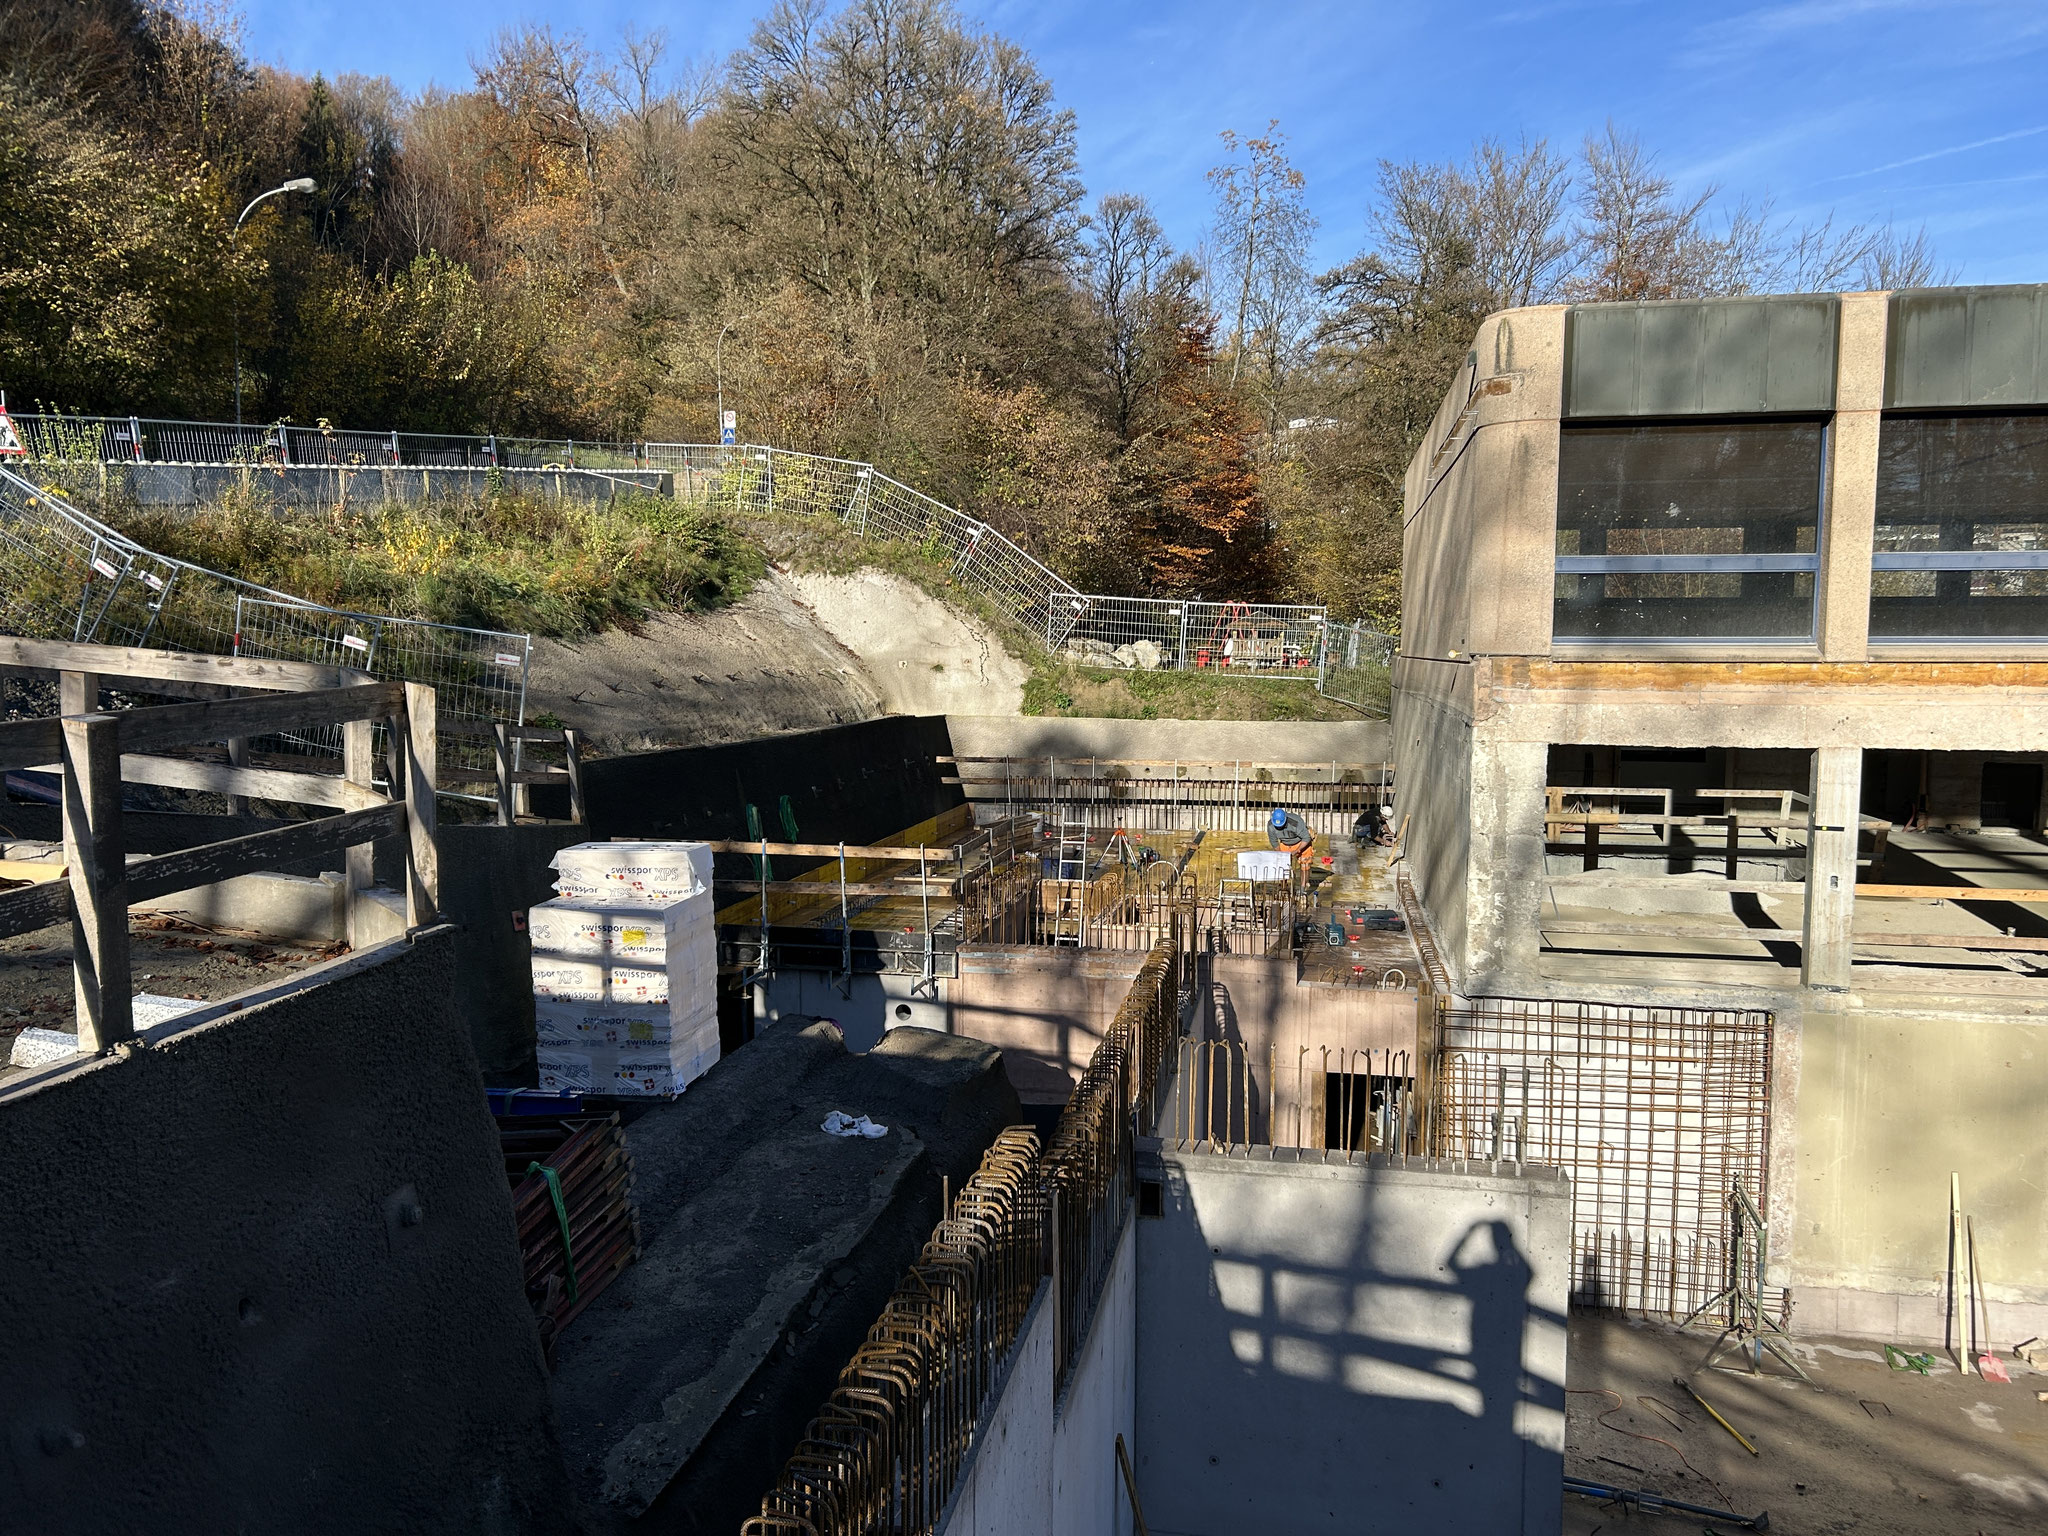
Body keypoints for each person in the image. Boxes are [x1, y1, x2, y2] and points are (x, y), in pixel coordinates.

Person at [1268, 806, 1316, 875]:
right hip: (1285, 844)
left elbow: (1306, 837)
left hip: (1300, 842)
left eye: (1281, 825)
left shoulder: (1295, 822)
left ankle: (1304, 881)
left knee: (1305, 864)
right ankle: (1284, 881)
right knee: (1282, 866)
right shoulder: (1270, 825)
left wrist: (1297, 850)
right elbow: (1274, 841)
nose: (1279, 827)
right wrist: (1281, 854)